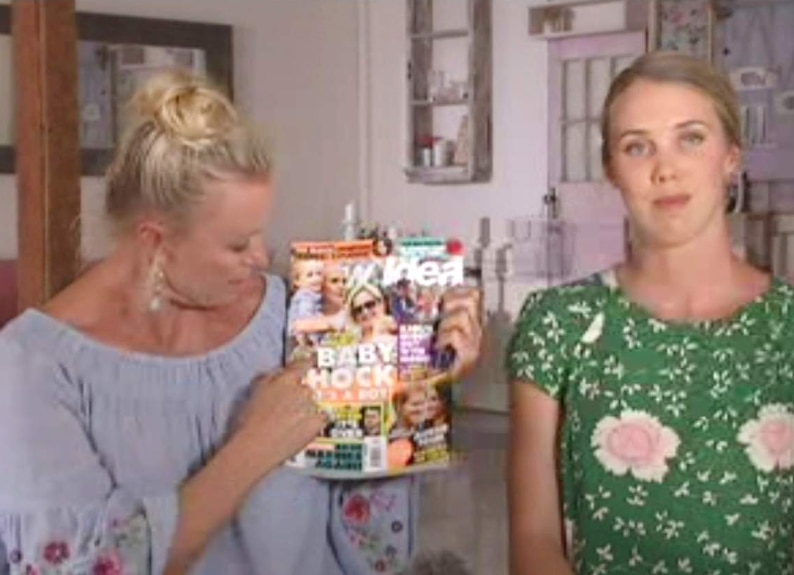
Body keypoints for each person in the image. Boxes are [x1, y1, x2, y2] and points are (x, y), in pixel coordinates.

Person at [0, 70, 484, 575]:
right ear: (154, 242)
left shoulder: (294, 317)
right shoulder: (31, 368)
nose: (261, 257)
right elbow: (88, 566)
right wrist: (256, 445)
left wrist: (421, 378)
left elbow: (372, 549)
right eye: (237, 244)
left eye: (260, 233)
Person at [507, 52, 794, 575]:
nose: (665, 168)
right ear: (612, 170)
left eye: (690, 138)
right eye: (637, 147)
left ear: (731, 156)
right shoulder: (559, 324)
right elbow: (533, 543)